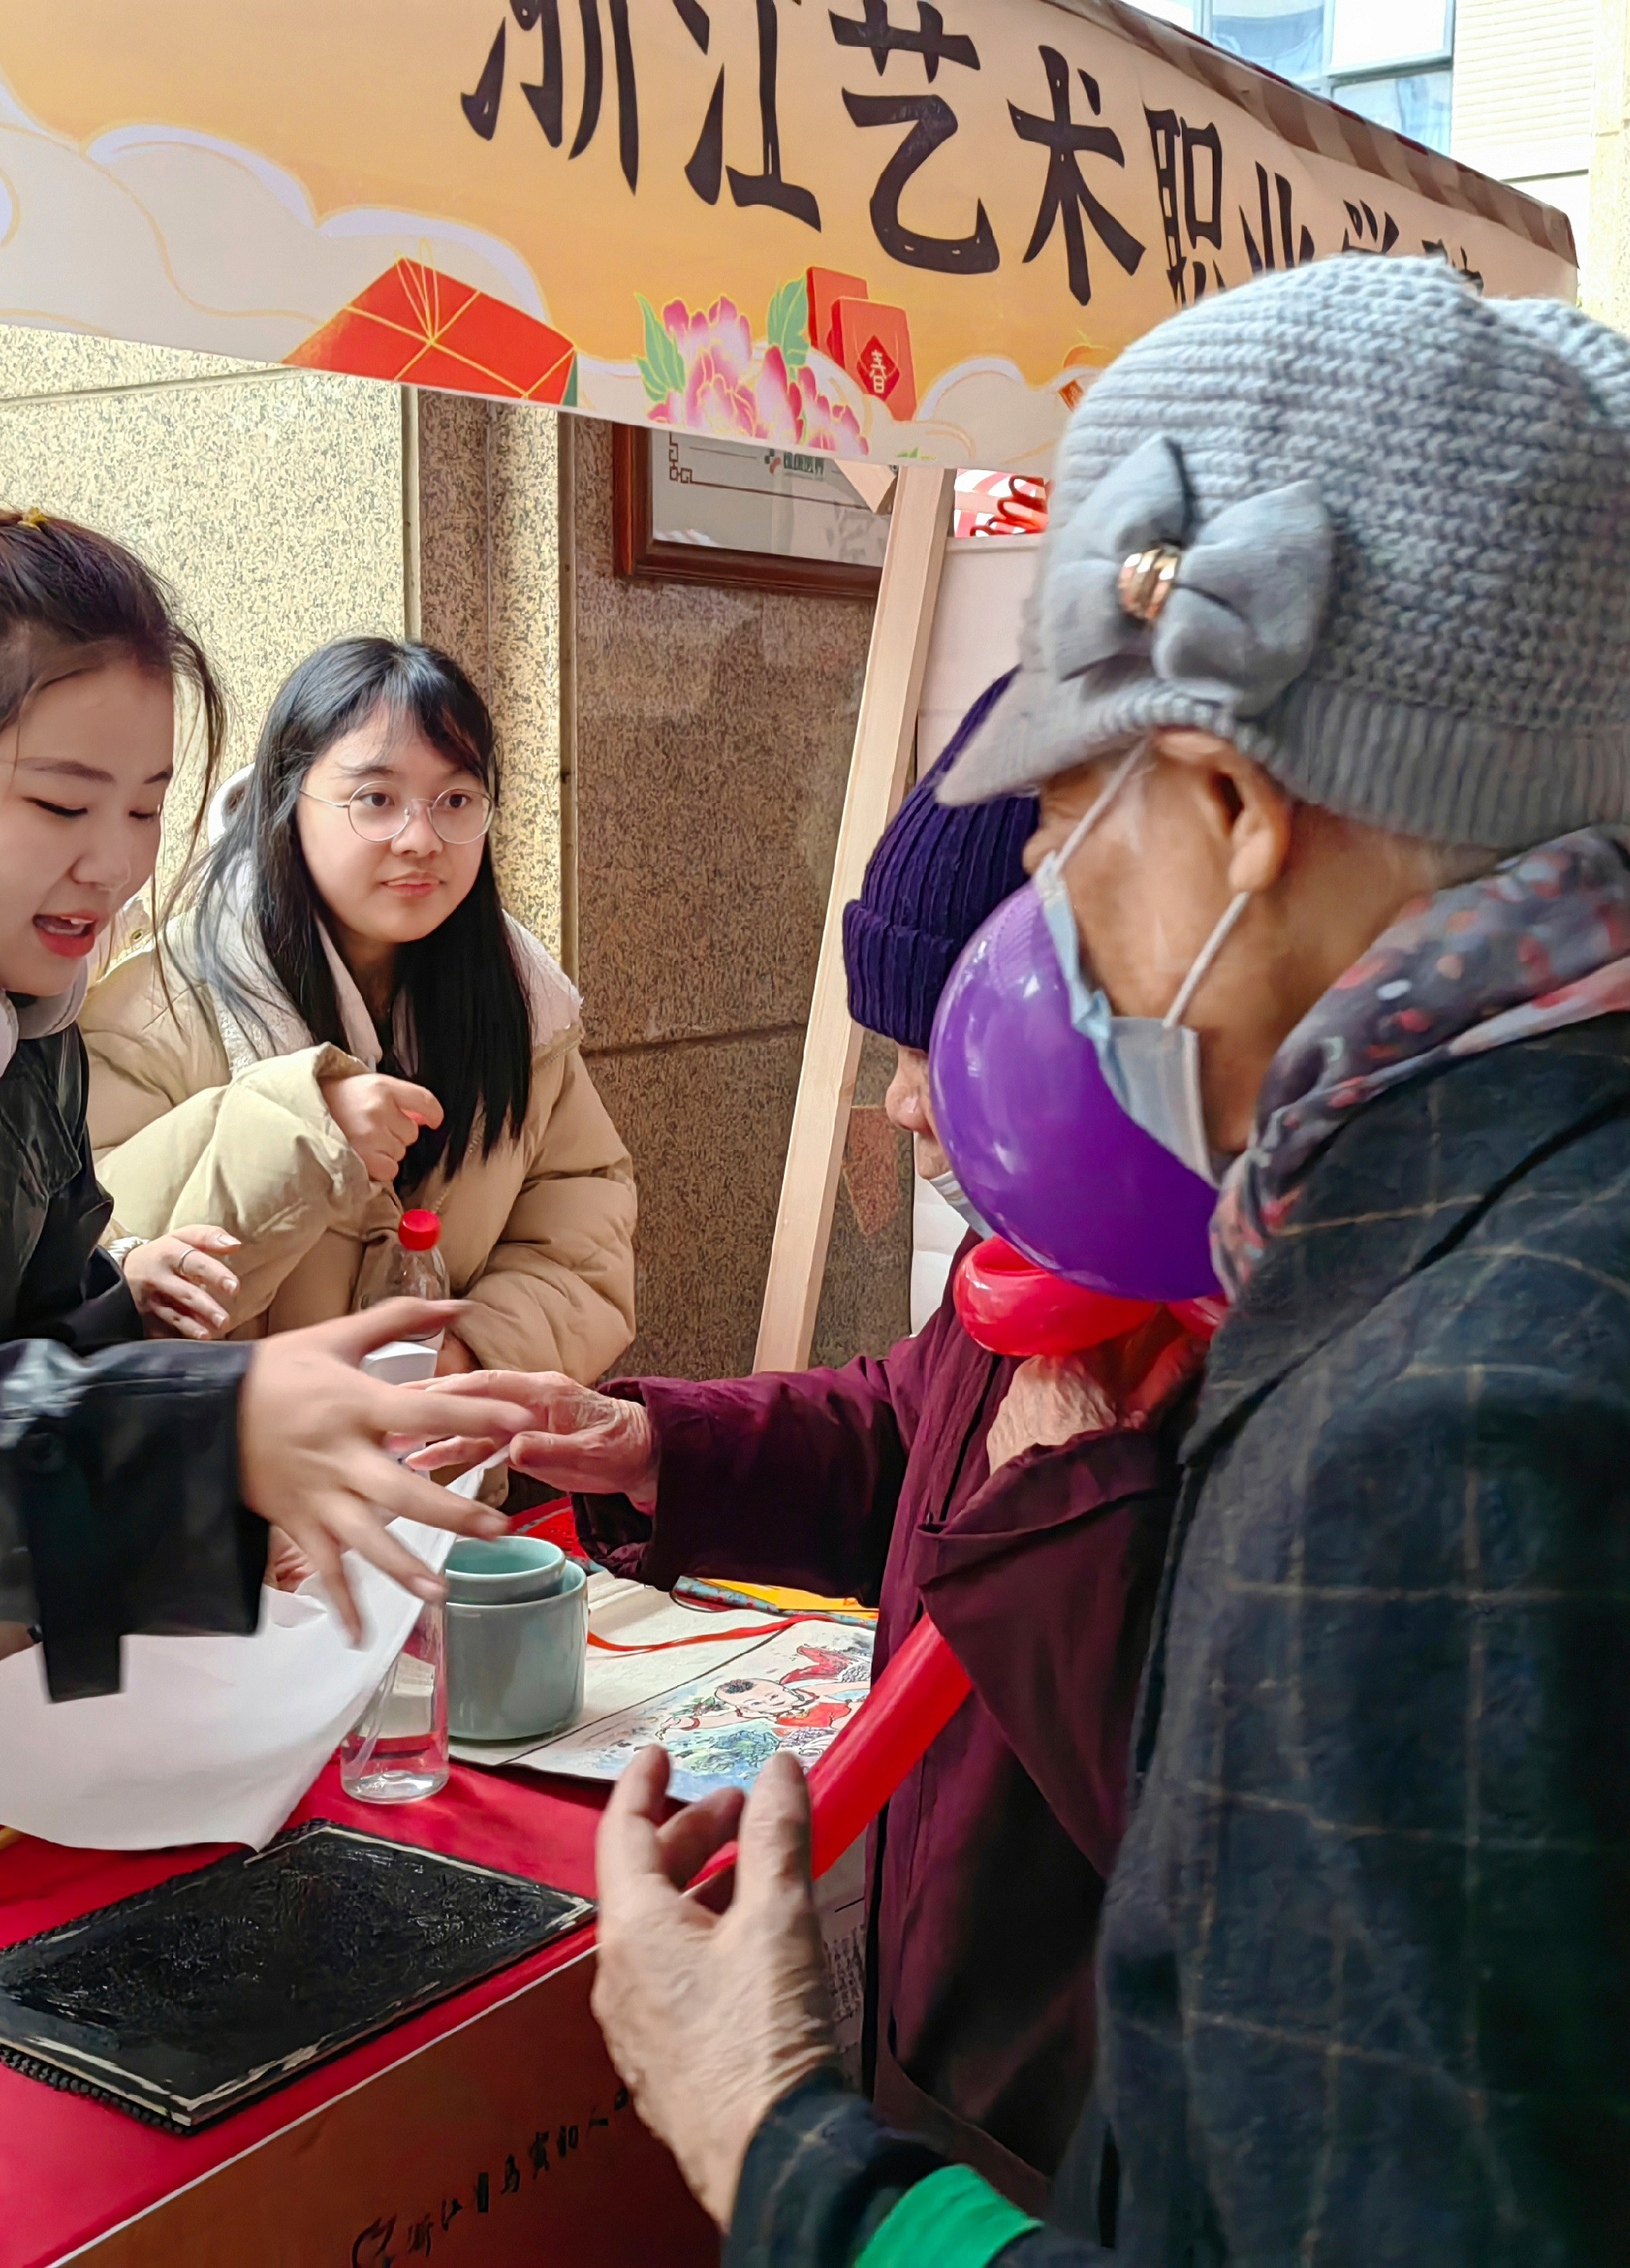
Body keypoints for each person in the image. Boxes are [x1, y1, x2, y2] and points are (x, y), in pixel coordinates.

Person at [585, 259, 1630, 2266]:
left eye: (1066, 819)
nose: (1045, 918)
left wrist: (778, 2144)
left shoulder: (1472, 1439)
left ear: (1231, 810)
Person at [0, 450, 531, 1811]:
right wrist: (206, 1438)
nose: (118, 864)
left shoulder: (20, 1013)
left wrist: (175, 1369)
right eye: (61, 805)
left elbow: (25, 1354)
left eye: (145, 807)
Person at [417, 678, 1192, 2204]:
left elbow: (1192, 1806)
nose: (904, 1108)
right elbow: (904, 1427)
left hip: (1081, 2124)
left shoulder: (1214, 1326)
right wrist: (655, 1443)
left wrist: (1067, 1499)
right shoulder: (1041, 1259)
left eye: (940, 1054)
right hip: (939, 2041)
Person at [83, 637, 634, 1383]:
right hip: (243, 1452)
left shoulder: (520, 1000)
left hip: (442, 1444)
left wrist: (470, 1353)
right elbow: (97, 1271)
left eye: (456, 800)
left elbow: (581, 1224)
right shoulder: (156, 1011)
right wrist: (303, 1129)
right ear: (287, 799)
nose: (421, 839)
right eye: (376, 799)